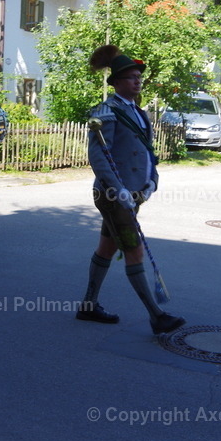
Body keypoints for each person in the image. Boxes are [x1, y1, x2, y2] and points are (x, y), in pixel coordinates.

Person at [78, 45, 184, 335]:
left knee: (107, 247)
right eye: (132, 77)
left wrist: (152, 181)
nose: (138, 81)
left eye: (139, 77)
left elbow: (148, 152)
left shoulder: (139, 112)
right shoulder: (106, 111)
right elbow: (99, 156)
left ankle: (88, 306)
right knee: (134, 250)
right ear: (116, 82)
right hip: (113, 196)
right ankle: (156, 315)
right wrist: (118, 190)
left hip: (133, 194)